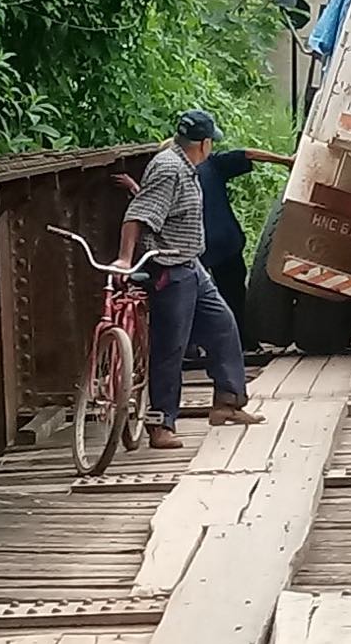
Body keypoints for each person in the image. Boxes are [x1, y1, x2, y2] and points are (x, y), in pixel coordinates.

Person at [111, 110, 265, 450]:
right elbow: (138, 212)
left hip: (190, 263)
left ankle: (227, 402)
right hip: (169, 267)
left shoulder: (184, 165)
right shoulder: (170, 169)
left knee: (223, 325)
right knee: (171, 346)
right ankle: (161, 422)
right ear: (205, 143)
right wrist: (125, 257)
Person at [115, 145, 294, 349]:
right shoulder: (214, 163)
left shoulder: (172, 172)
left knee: (189, 299)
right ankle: (245, 343)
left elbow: (155, 207)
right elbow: (248, 153)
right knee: (233, 295)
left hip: (195, 248)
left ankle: (191, 348)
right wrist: (285, 159)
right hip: (227, 242)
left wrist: (134, 188)